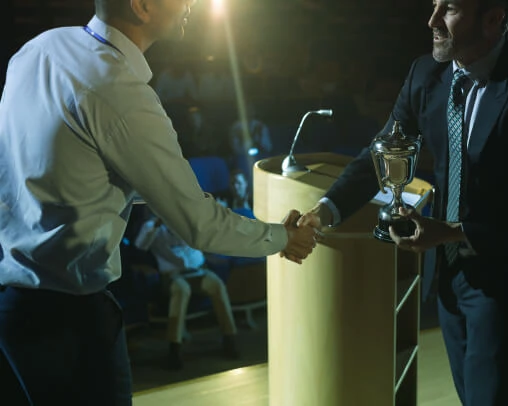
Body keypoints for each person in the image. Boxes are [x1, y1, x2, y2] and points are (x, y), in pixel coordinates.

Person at [0, 1, 317, 405]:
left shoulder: (39, 48)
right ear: (141, 6)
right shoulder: (118, 90)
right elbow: (199, 224)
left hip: (11, 308)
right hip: (69, 324)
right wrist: (282, 238)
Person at [297, 1, 508, 405]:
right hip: (449, 275)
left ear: (493, 19)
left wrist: (455, 232)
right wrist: (324, 210)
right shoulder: (426, 74)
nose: (432, 21)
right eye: (434, 5)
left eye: (450, 9)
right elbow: (381, 153)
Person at [134, 212, 240, 370]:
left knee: (216, 284)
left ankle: (229, 337)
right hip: (172, 276)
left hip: (197, 271)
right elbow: (140, 245)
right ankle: (174, 347)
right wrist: (157, 224)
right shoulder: (152, 227)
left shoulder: (185, 220)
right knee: (182, 290)